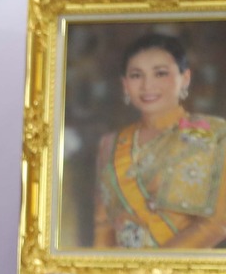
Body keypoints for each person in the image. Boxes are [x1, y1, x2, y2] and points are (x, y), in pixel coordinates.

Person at [93, 31, 226, 249]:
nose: (147, 85)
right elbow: (103, 228)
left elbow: (216, 224)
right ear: (125, 84)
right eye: (136, 75)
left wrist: (156, 264)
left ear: (185, 78)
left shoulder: (215, 134)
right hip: (122, 269)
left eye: (160, 73)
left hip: (183, 267)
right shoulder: (110, 144)